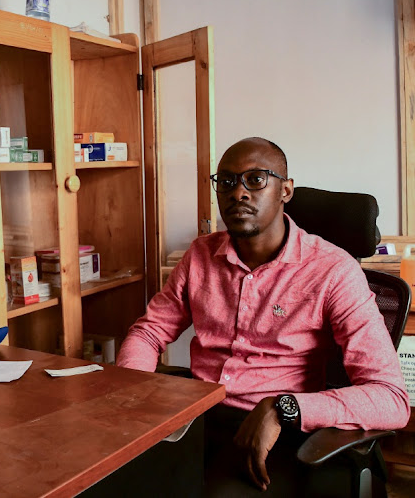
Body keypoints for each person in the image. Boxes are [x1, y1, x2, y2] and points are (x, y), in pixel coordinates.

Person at [117, 137, 410, 496]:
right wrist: (130, 393)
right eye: (226, 181)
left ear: (285, 190)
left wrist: (284, 407)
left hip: (275, 433)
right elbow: (149, 333)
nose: (238, 193)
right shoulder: (200, 255)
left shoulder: (334, 271)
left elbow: (390, 399)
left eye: (255, 180)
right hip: (196, 420)